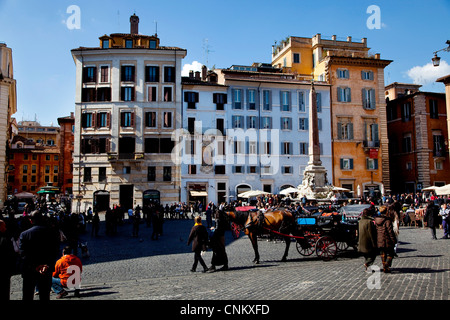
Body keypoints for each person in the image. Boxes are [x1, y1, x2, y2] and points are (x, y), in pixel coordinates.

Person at [19, 210, 60, 300]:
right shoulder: (52, 232)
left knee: (27, 295)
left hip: (29, 269)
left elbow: (23, 254)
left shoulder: (24, 234)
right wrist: (46, 265)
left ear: (31, 220)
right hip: (46, 269)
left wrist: (35, 266)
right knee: (45, 296)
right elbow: (55, 251)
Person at [374, 206, 397, 273]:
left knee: (383, 254)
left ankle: (385, 267)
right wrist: (394, 240)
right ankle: (386, 265)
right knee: (391, 254)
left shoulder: (376, 220)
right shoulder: (387, 220)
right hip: (387, 239)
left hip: (379, 239)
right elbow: (390, 231)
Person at [0, 220, 16, 300]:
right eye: (4, 226)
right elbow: (12, 253)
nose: (5, 228)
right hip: (4, 269)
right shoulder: (6, 239)